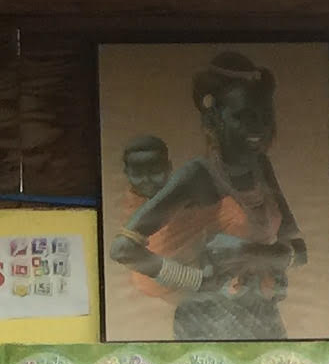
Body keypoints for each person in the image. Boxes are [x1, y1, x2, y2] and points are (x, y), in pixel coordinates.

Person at [109, 50, 309, 340]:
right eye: (242, 116)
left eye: (263, 116)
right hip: (208, 324)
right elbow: (123, 249)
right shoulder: (198, 175)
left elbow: (299, 251)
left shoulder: (261, 167)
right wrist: (194, 279)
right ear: (216, 118)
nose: (257, 128)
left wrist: (250, 254)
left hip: (264, 317)